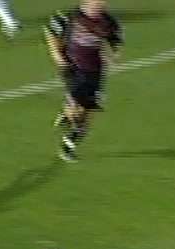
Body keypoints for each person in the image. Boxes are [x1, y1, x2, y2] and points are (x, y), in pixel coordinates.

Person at [45, 0, 124, 162]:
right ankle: (69, 111)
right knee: (77, 106)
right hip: (73, 67)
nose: (98, 6)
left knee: (89, 111)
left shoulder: (108, 21)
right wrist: (58, 56)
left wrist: (114, 54)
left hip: (95, 71)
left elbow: (115, 39)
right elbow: (51, 32)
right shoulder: (70, 17)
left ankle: (69, 144)